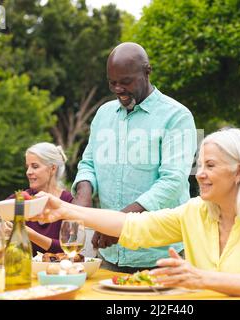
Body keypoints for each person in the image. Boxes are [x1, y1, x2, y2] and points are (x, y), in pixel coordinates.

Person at [33, 127, 240, 299]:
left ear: (239, 171)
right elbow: (132, 226)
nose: (200, 174)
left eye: (210, 165)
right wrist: (66, 209)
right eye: (199, 165)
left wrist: (200, 277)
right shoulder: (195, 211)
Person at [72, 42, 197, 273]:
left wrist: (121, 225)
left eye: (126, 81)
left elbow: (172, 181)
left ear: (147, 72)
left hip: (161, 256)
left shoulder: (177, 116)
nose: (118, 89)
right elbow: (88, 163)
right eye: (112, 82)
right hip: (110, 257)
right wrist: (83, 195)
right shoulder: (103, 114)